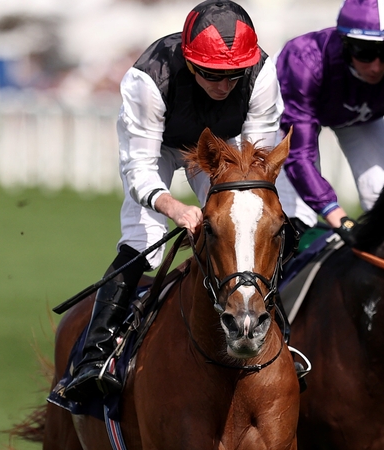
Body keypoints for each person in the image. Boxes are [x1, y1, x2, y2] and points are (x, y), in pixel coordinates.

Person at [64, 0, 283, 402]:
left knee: (250, 228)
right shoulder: (148, 80)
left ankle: (280, 332)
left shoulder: (262, 73)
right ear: (190, 60)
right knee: (142, 240)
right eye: (213, 74)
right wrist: (177, 209)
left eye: (235, 75)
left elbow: (258, 159)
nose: (225, 85)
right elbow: (140, 170)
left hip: (222, 151)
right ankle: (94, 357)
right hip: (158, 148)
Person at [273, 0, 384, 233]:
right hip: (286, 115)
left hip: (360, 119)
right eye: (364, 52)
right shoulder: (303, 62)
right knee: (297, 216)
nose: (376, 66)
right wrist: (336, 215)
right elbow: (299, 155)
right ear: (344, 43)